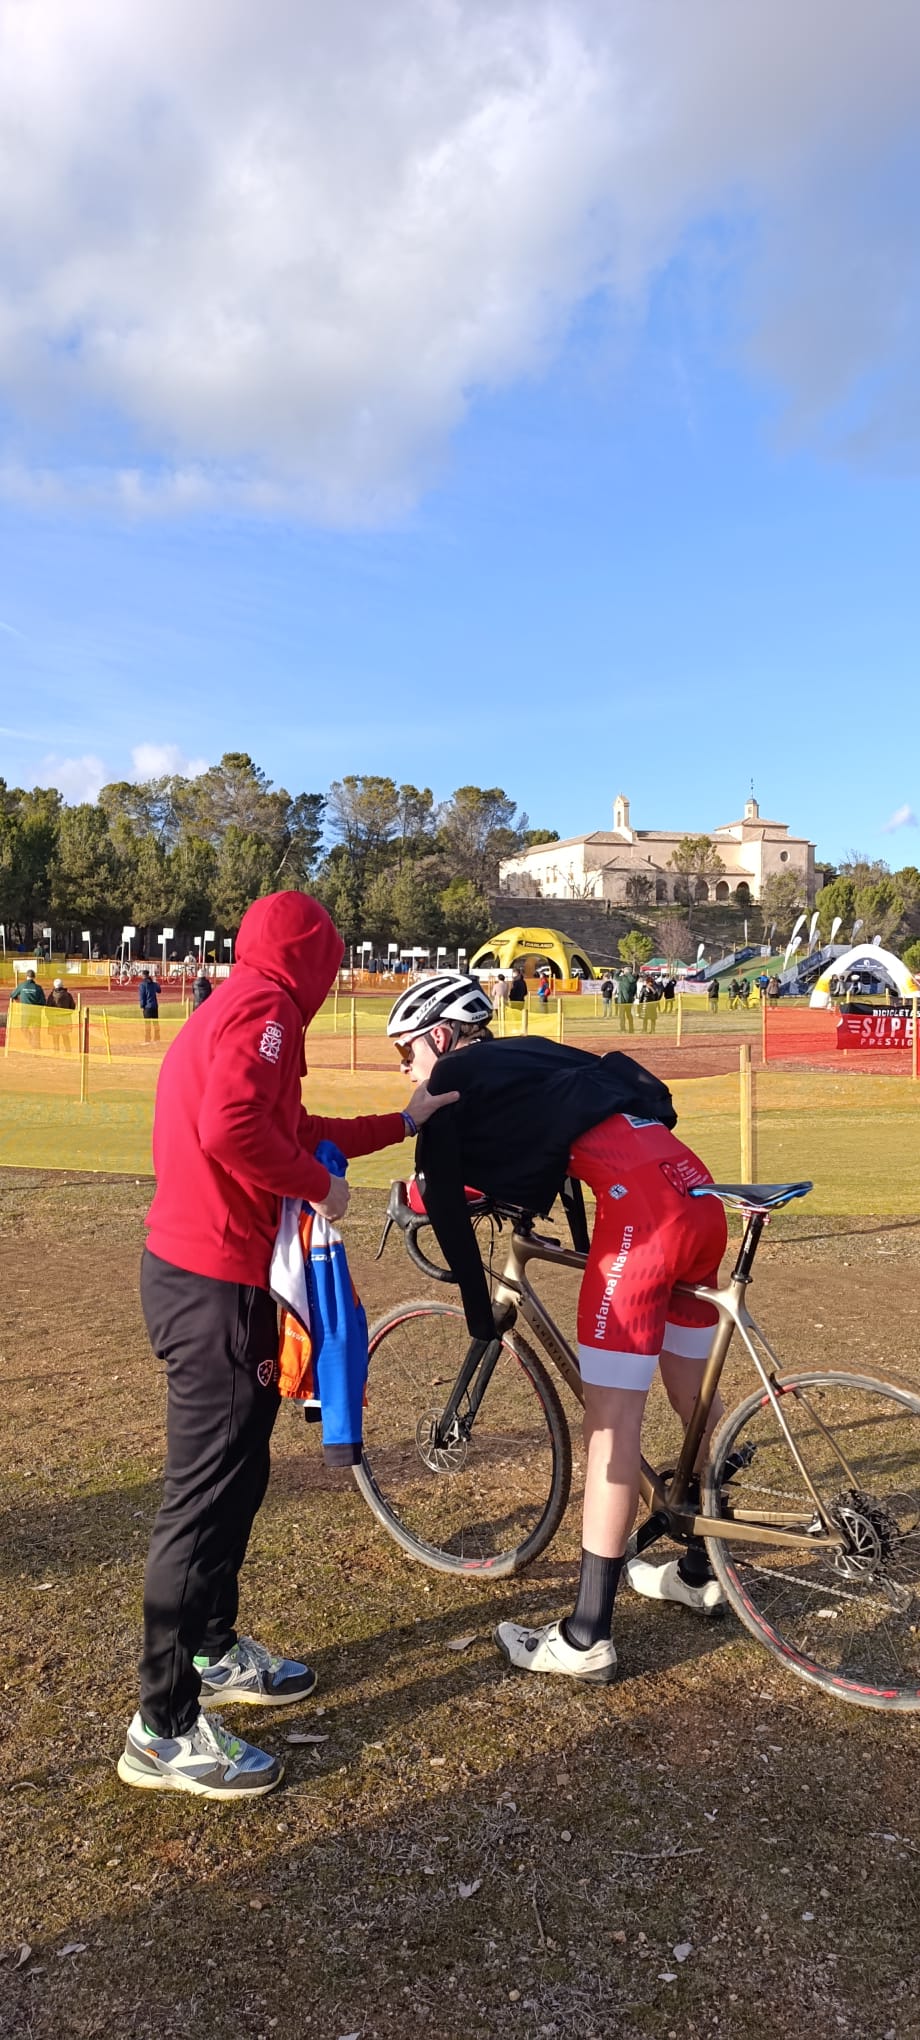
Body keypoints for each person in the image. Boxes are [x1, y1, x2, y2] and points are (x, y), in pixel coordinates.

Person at [118, 892, 457, 1801]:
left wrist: (405, 1120)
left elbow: (288, 1128)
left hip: (220, 1278)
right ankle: (162, 1725)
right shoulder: (263, 1007)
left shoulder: (238, 1008)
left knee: (242, 1473)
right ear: (307, 957)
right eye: (331, 962)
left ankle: (213, 1644)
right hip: (213, 1283)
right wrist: (320, 1188)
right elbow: (231, 1129)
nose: (331, 980)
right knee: (203, 1495)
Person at [386, 973, 728, 1690]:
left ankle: (586, 1635)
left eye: (405, 1052)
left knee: (611, 1429)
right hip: (696, 1191)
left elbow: (449, 1199)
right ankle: (701, 1568)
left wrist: (480, 1312)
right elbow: (557, 1150)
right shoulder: (529, 1056)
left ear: (438, 1038)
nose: (406, 1070)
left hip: (644, 1216)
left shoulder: (448, 1078)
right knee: (692, 1400)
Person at [10, 966, 46, 1045]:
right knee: (36, 1031)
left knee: (24, 1028)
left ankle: (31, 1041)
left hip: (25, 1012)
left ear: (26, 976)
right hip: (36, 1012)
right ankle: (36, 1046)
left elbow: (12, 995)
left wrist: (17, 999)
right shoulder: (38, 988)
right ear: (34, 977)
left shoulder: (22, 985)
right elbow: (43, 1002)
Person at [46, 977, 76, 1051]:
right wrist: (68, 1014)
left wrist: (49, 1018)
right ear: (62, 985)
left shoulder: (51, 996)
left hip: (54, 1020)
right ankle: (68, 1050)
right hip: (65, 1019)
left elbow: (47, 1008)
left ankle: (56, 1050)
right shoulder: (68, 995)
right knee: (65, 1036)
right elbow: (72, 1006)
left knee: (55, 1037)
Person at [139, 968, 161, 1044]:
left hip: (147, 1007)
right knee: (156, 1023)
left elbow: (142, 996)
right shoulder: (153, 984)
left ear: (143, 976)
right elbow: (159, 990)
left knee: (147, 1024)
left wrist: (142, 1006)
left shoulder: (142, 985)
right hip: (154, 1006)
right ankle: (157, 1039)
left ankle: (147, 1040)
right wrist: (156, 982)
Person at [616, 968, 637, 1033]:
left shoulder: (623, 978)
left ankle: (623, 1029)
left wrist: (620, 970)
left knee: (622, 1015)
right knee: (629, 1014)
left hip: (622, 1000)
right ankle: (631, 1029)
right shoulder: (634, 980)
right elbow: (634, 991)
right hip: (630, 1000)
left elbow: (615, 976)